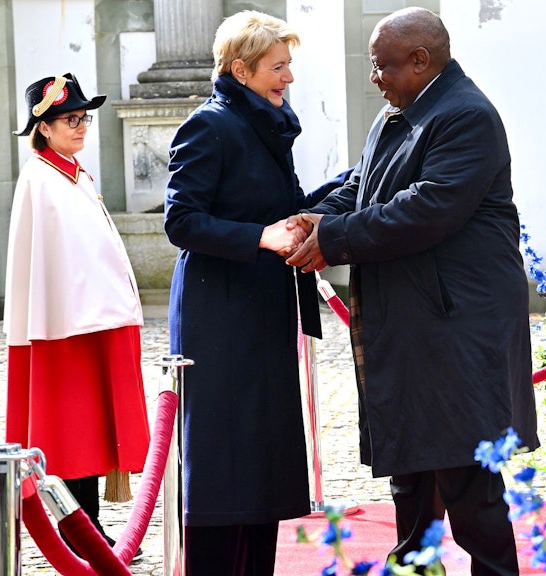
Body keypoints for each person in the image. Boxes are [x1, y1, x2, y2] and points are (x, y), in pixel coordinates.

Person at [286, 7, 539, 575]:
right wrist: (315, 219)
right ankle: (416, 568)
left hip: (455, 328)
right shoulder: (398, 115)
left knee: (467, 478)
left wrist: (334, 238)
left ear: (421, 60)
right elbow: (363, 184)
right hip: (413, 325)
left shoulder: (466, 116)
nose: (375, 77)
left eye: (382, 67)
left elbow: (428, 209)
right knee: (412, 470)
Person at [163, 10, 328, 575]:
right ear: (241, 69)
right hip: (221, 320)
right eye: (278, 66)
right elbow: (181, 222)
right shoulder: (210, 125)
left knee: (260, 461)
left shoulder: (265, 122)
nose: (288, 77)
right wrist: (260, 236)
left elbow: (281, 208)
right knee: (224, 464)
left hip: (260, 311)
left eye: (288, 66)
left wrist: (343, 194)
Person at [4, 73, 150, 558]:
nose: (81, 126)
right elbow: (48, 260)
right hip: (65, 326)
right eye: (71, 119)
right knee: (73, 434)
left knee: (94, 432)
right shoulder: (41, 179)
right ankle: (78, 531)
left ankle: (92, 529)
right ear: (43, 127)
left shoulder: (73, 172)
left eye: (84, 117)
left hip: (96, 320)